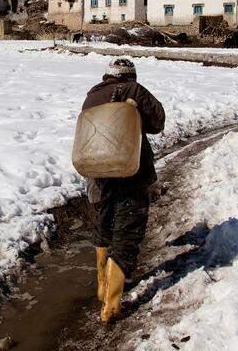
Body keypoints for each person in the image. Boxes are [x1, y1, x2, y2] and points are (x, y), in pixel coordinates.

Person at [82, 57, 165, 323]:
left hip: (98, 175)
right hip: (130, 173)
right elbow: (157, 122)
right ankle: (112, 305)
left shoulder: (92, 96)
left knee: (104, 227)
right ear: (131, 75)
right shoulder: (134, 90)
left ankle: (102, 287)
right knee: (127, 233)